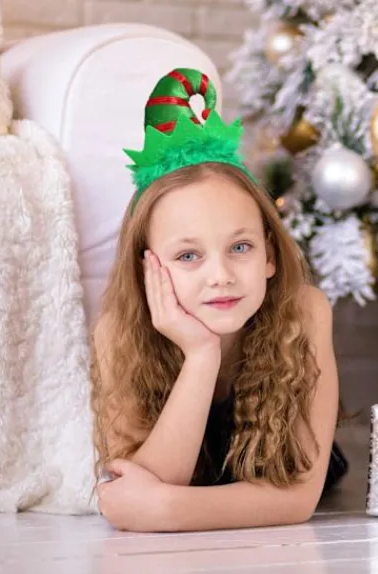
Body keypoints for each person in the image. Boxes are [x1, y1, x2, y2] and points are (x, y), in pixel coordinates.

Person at [92, 68, 348, 532]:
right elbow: (140, 484)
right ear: (147, 268)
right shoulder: (118, 333)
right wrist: (201, 355)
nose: (221, 276)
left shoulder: (305, 311)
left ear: (269, 255)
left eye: (240, 247)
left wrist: (166, 509)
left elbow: (296, 498)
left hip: (274, 466)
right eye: (188, 255)